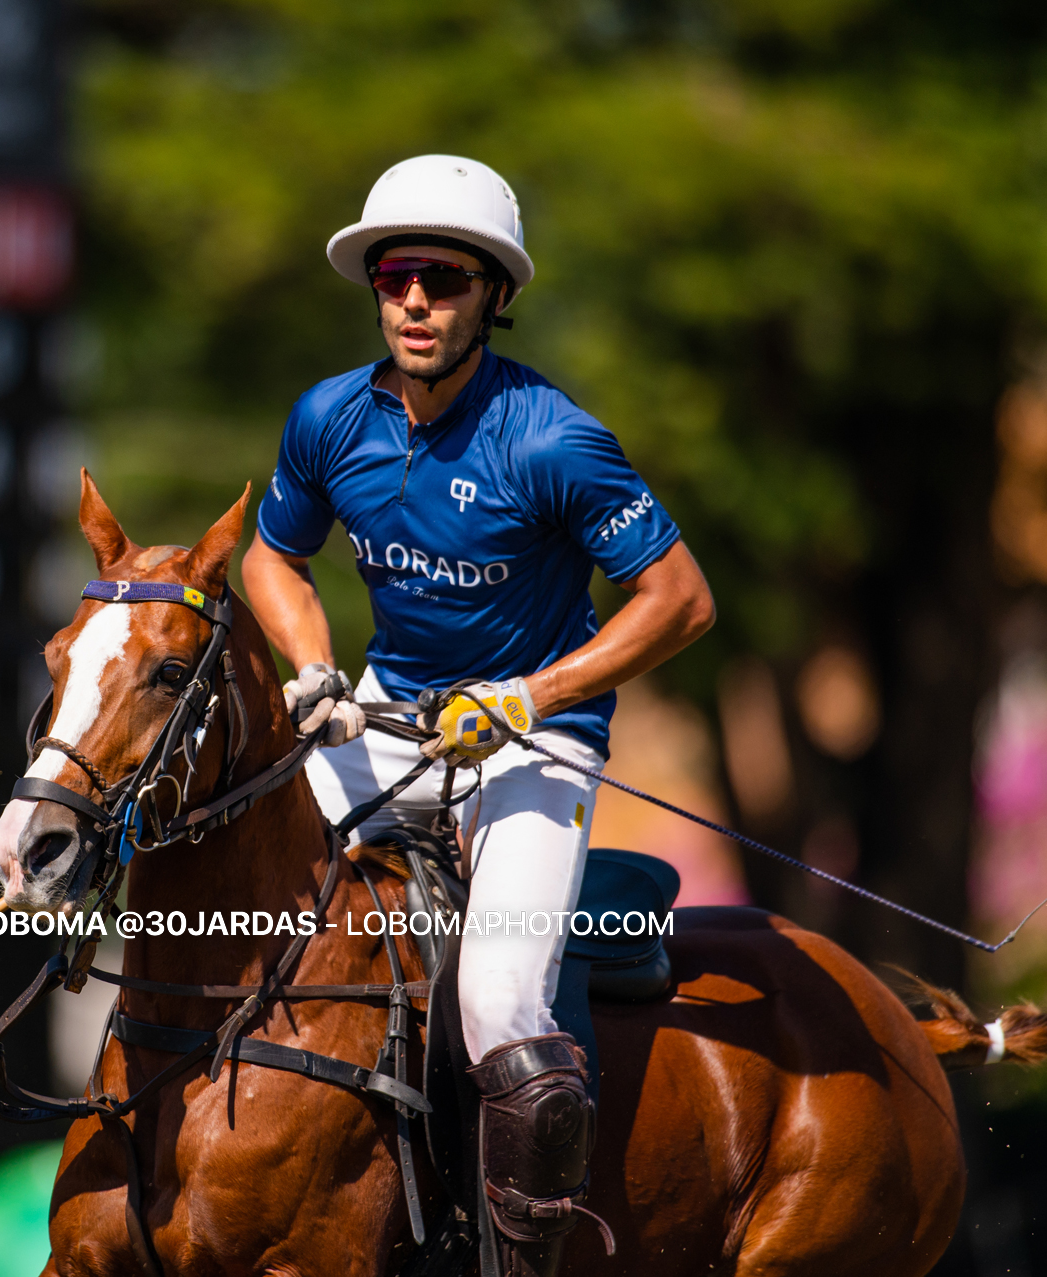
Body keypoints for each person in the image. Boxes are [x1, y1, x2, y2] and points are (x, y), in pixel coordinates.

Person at [241, 154, 715, 1276]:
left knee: (498, 993)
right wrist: (310, 666)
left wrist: (530, 697)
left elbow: (681, 600)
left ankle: (514, 1260)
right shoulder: (327, 419)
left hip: (535, 735)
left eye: (445, 279)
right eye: (398, 274)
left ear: (493, 295)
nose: (416, 300)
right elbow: (273, 555)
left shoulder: (553, 439)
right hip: (384, 715)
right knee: (242, 892)